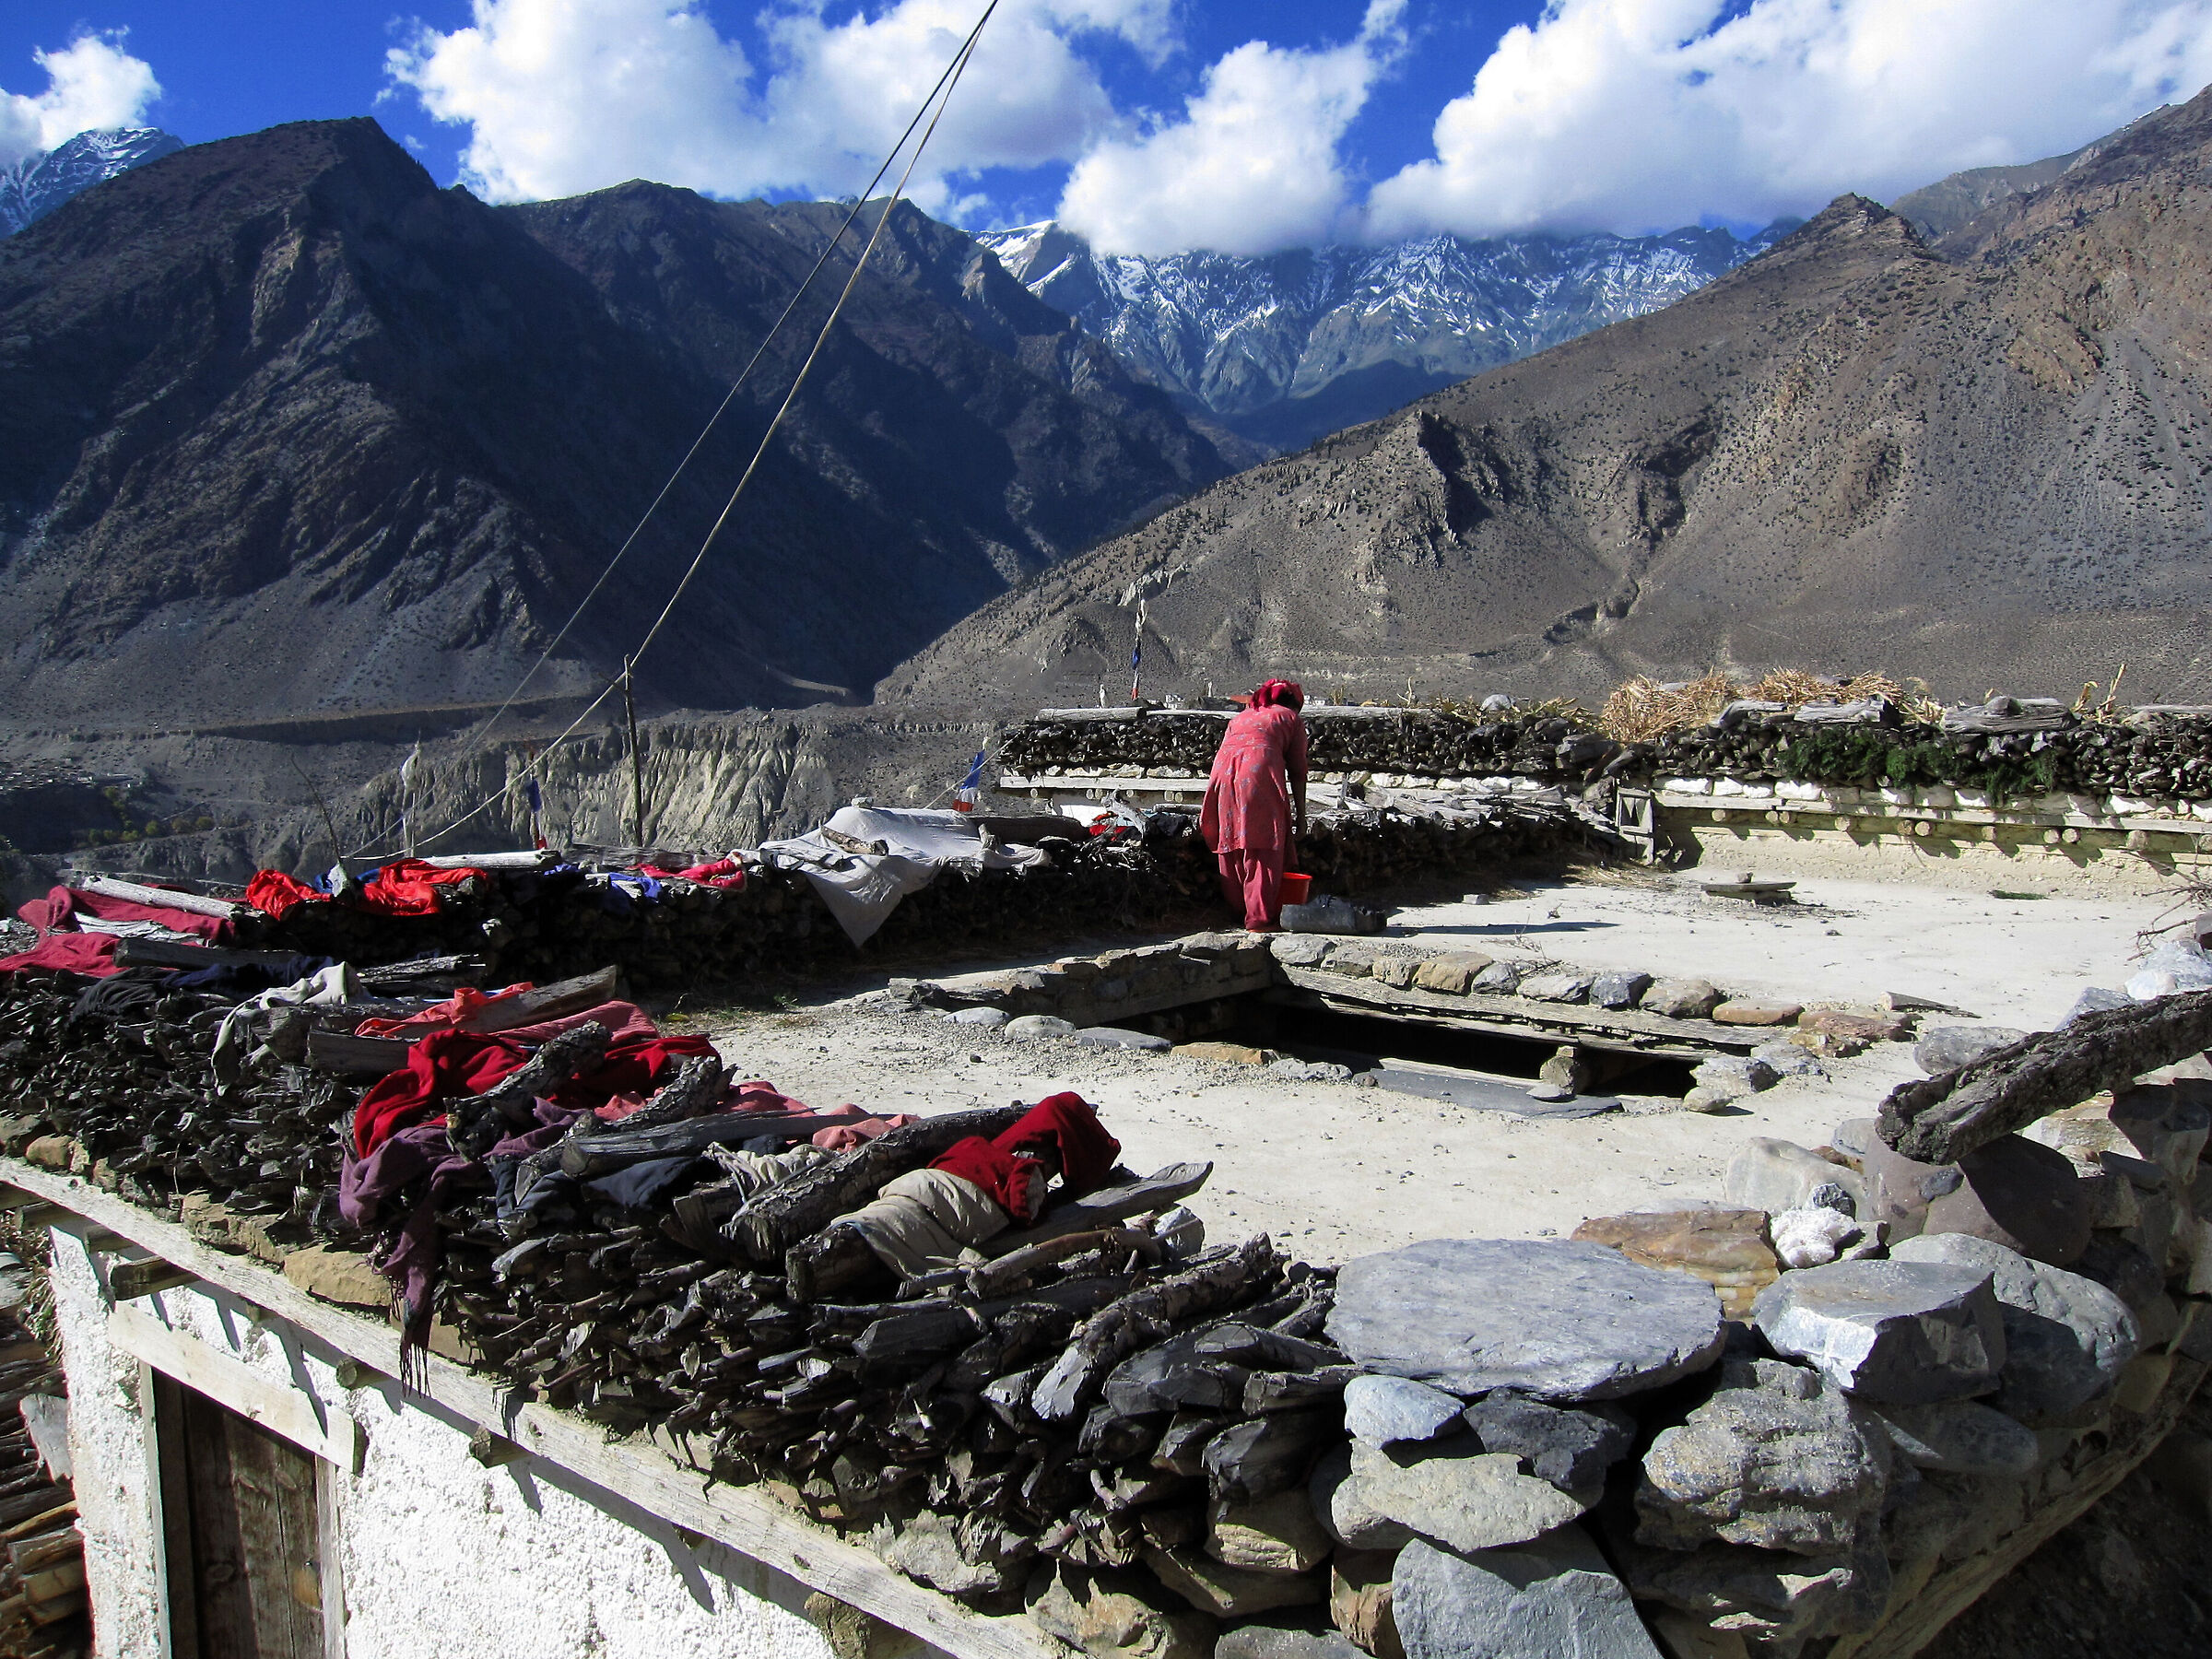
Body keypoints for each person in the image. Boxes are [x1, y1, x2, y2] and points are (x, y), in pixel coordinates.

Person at [1200, 678, 1309, 932]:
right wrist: (1301, 816)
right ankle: (1258, 919)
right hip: (1257, 773)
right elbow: (1298, 771)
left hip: (1223, 775)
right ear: (1293, 704)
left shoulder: (1240, 718)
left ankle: (1239, 910)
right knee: (1262, 844)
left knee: (1232, 838)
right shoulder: (1290, 718)